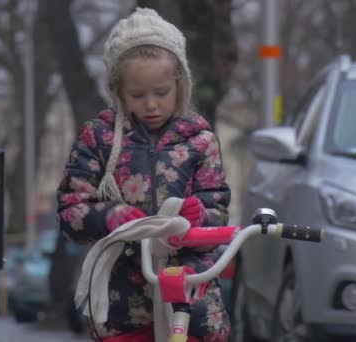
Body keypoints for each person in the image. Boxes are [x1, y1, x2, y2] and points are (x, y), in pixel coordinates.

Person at [56, 7, 231, 342]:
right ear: (118, 92)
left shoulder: (200, 140)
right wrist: (112, 217)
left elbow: (218, 212)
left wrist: (198, 217)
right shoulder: (98, 138)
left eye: (161, 92)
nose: (151, 104)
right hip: (123, 305)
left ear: (181, 86)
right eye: (138, 96)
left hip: (189, 301)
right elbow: (70, 213)